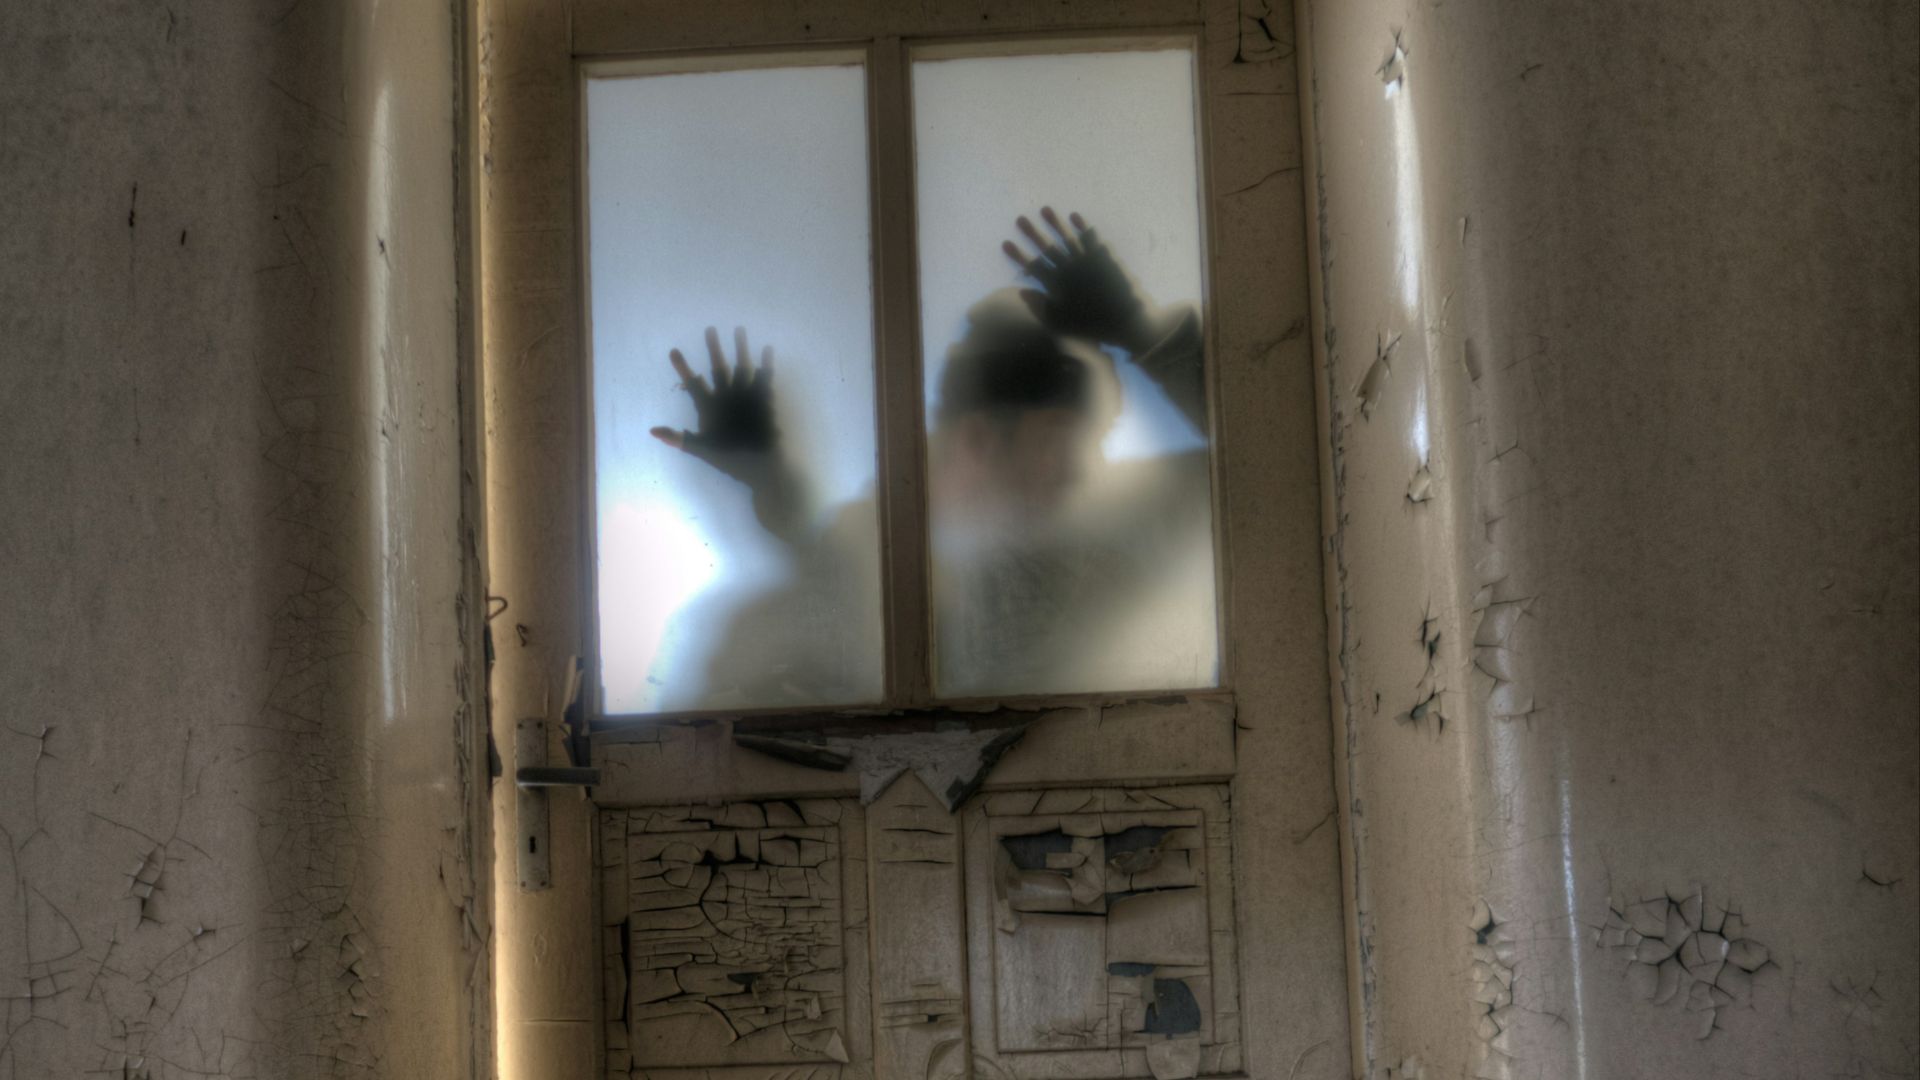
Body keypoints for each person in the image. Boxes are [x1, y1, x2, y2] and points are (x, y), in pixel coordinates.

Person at [649, 208, 1215, 703]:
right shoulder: (827, 592)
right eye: (1061, 440)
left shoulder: (1113, 554)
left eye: (1096, 439)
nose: (1081, 467)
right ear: (979, 439)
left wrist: (1142, 332)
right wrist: (771, 486)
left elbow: (1272, 462)